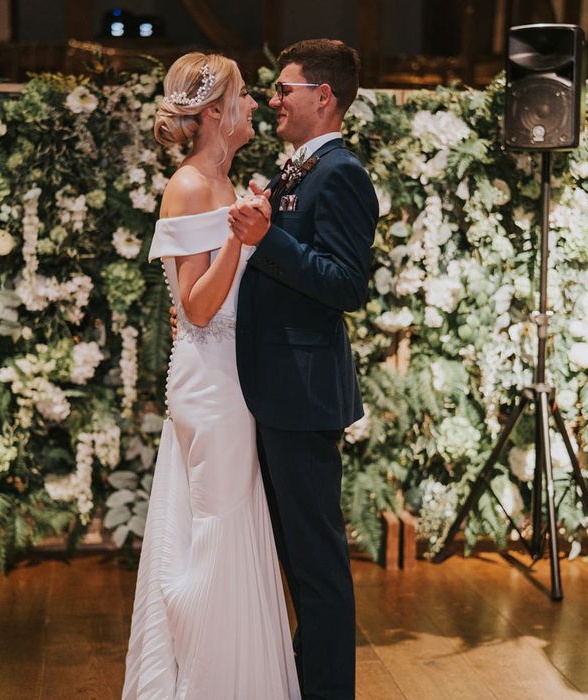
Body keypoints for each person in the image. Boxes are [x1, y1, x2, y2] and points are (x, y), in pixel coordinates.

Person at [122, 52, 300, 700]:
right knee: (216, 540)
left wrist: (244, 226)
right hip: (211, 387)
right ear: (217, 111)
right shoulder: (192, 185)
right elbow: (196, 306)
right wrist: (241, 237)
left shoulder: (223, 183)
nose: (255, 104)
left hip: (229, 381)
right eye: (246, 95)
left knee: (228, 533)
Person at [226, 39, 378, 700]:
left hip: (303, 395)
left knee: (317, 569)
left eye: (285, 89)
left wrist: (269, 241)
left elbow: (348, 285)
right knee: (293, 562)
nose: (272, 99)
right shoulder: (292, 170)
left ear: (324, 97)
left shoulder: (341, 173)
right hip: (272, 391)